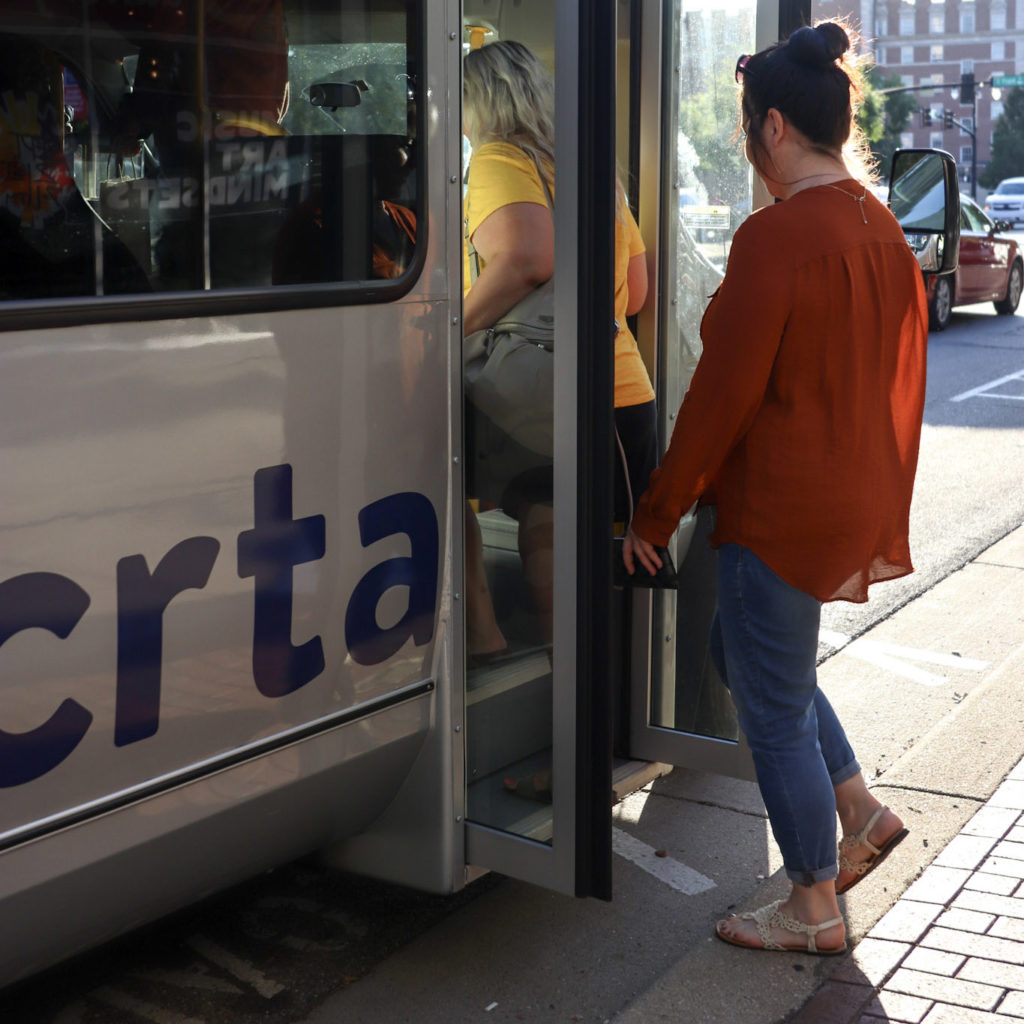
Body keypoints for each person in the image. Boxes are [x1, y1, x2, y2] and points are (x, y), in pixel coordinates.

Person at [622, 22, 927, 954]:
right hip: (849, 496)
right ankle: (860, 812)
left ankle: (812, 905)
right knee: (741, 654)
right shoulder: (883, 229)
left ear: (777, 128)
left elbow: (718, 399)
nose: (745, 152)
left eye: (747, 133)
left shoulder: (775, 238)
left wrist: (656, 511)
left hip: (780, 507)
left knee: (769, 701)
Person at [462, 40, 557, 656]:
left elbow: (526, 258)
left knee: (431, 475)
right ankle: (570, 670)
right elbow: (639, 284)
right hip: (615, 384)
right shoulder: (574, 162)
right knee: (546, 502)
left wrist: (447, 332)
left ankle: (484, 636)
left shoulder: (496, 159)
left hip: (532, 385)